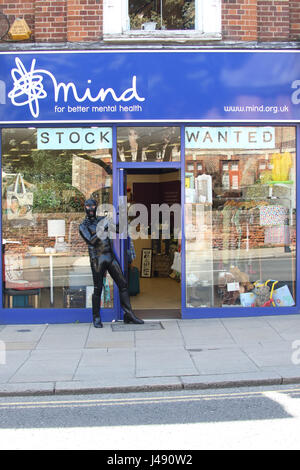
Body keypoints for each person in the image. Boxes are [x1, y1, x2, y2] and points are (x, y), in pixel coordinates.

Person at [79, 198, 144, 328]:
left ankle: (128, 315)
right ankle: (96, 317)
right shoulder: (83, 226)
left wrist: (120, 217)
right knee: (98, 288)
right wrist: (103, 228)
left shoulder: (101, 220)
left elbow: (119, 230)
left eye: (93, 206)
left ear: (96, 207)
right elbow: (91, 241)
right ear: (85, 208)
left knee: (123, 284)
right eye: (88, 206)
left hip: (109, 256)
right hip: (97, 258)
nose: (91, 209)